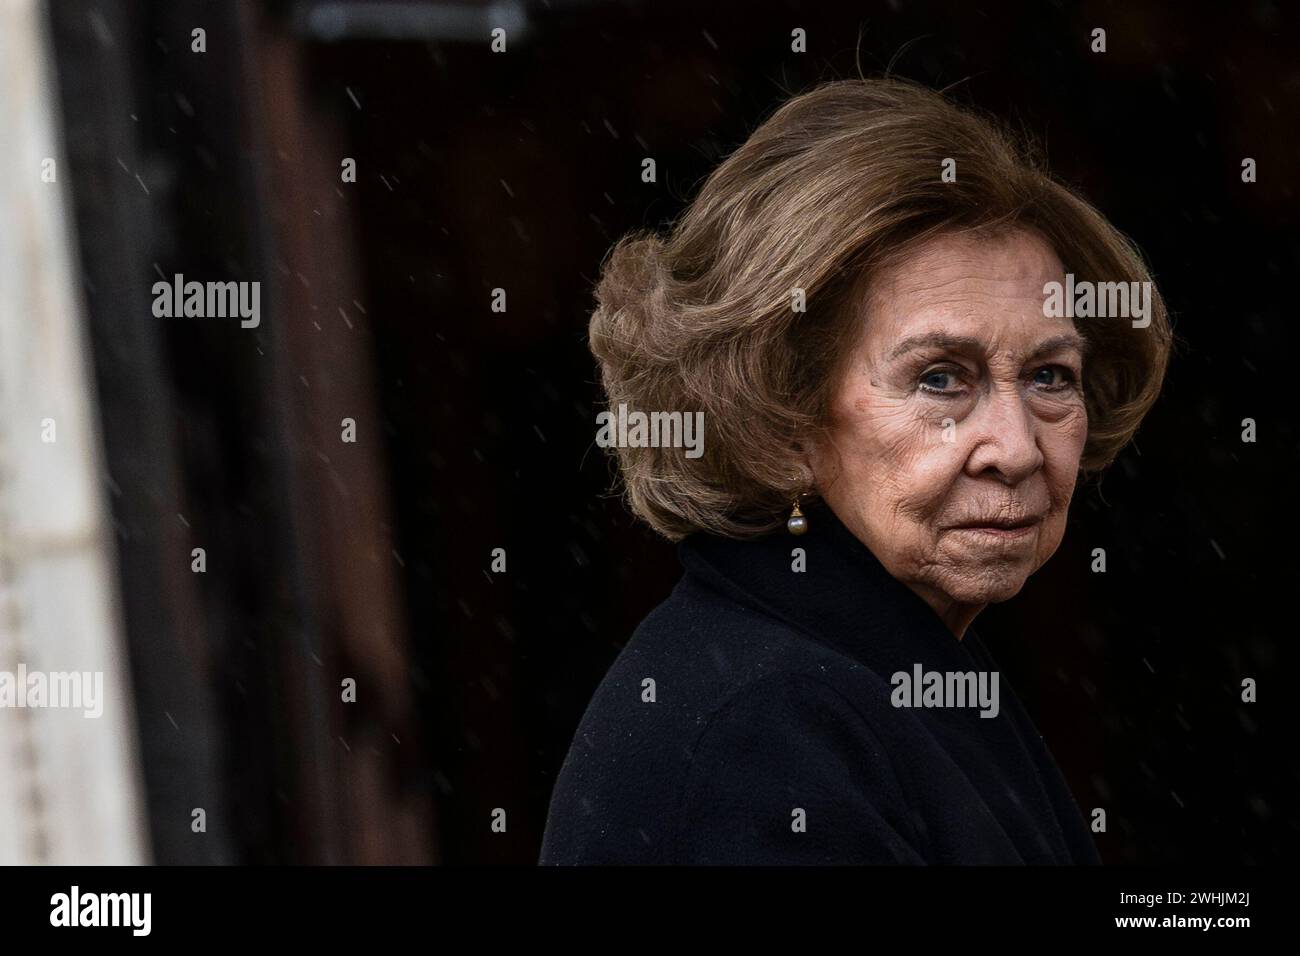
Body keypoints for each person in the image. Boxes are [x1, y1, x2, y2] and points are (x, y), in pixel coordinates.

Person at [540, 76, 1171, 864]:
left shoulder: (884, 661)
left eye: (1050, 377)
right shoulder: (767, 731)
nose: (1016, 448)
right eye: (940, 378)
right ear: (782, 418)